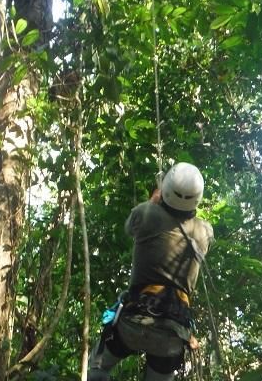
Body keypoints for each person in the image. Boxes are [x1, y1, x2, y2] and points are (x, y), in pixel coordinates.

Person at [88, 162, 214, 381]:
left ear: (165, 189)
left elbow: (130, 228)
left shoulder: (146, 213)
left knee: (96, 370)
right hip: (173, 333)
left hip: (134, 321)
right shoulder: (204, 231)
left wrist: (154, 201)